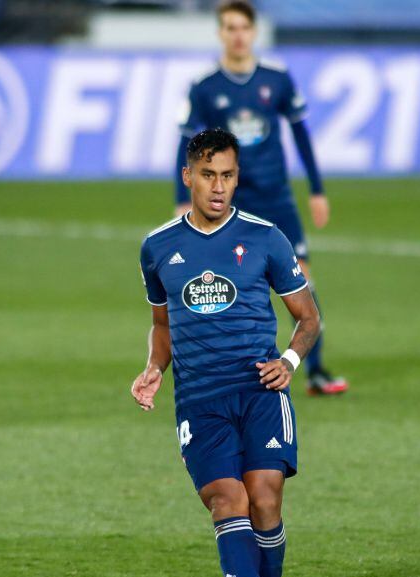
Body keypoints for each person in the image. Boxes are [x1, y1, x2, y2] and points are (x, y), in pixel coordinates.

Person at [133, 128, 320, 577]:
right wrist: (154, 367)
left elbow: (308, 317)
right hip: (200, 397)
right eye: (209, 175)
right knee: (226, 497)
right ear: (187, 175)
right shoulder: (158, 247)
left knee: (265, 499)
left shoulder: (267, 237)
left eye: (229, 176)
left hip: (260, 390)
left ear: (239, 178)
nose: (219, 187)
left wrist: (289, 360)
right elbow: (163, 324)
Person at [174, 0, 347, 396]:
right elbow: (184, 142)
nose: (237, 35)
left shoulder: (277, 79)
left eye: (243, 28)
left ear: (253, 32)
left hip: (277, 200)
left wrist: (317, 189)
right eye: (230, 28)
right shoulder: (205, 87)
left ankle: (315, 369)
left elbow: (301, 133)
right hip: (230, 203)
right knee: (227, 282)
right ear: (220, 33)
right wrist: (182, 197)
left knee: (301, 278)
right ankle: (225, 369)